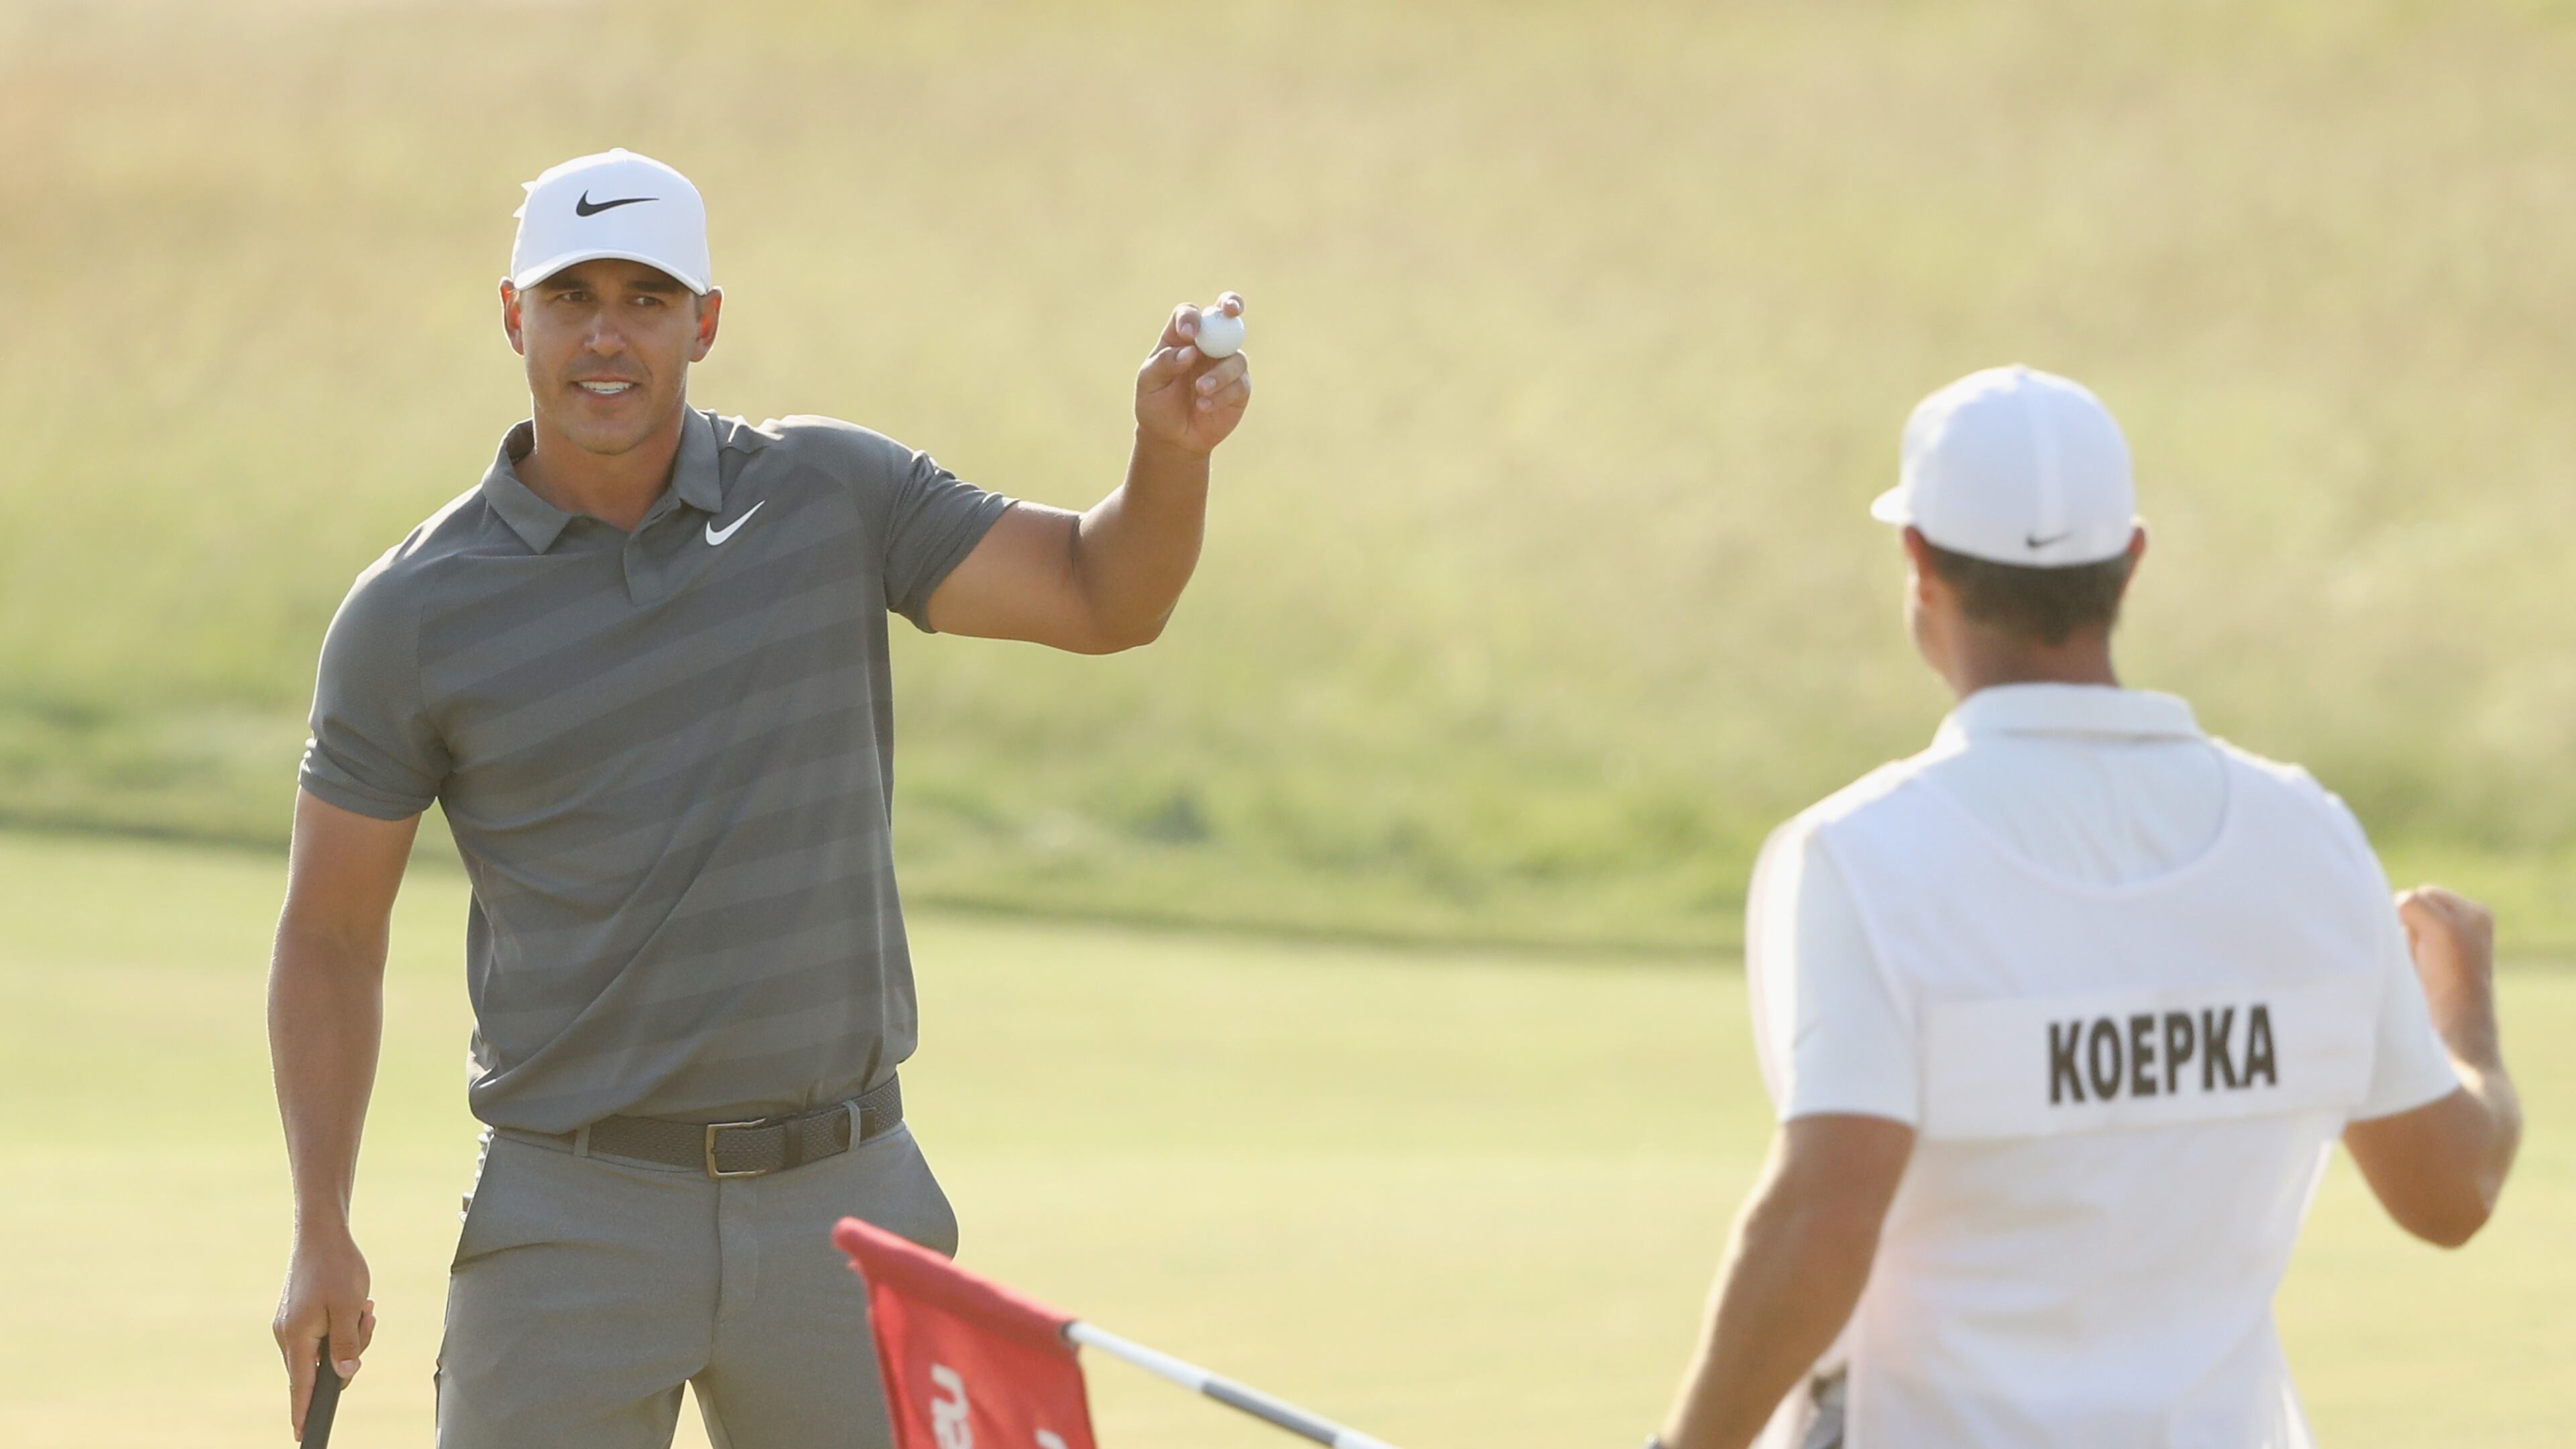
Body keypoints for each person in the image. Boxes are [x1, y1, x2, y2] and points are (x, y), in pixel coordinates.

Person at [266, 148, 1253, 1447]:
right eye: (571, 298)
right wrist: (321, 1229)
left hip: (843, 1204)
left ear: (706, 322)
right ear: (513, 317)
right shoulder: (413, 613)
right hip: (572, 1214)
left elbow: (1098, 595)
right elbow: (331, 935)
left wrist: (1164, 451)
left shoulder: (832, 494)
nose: (606, 336)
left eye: (647, 298)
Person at [1651, 366, 2522, 1449]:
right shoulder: (2308, 837)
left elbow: (1825, 1217)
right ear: (2131, 561)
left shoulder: (1861, 855)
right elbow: (2452, 1191)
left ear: (1919, 563)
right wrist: (2466, 1012)